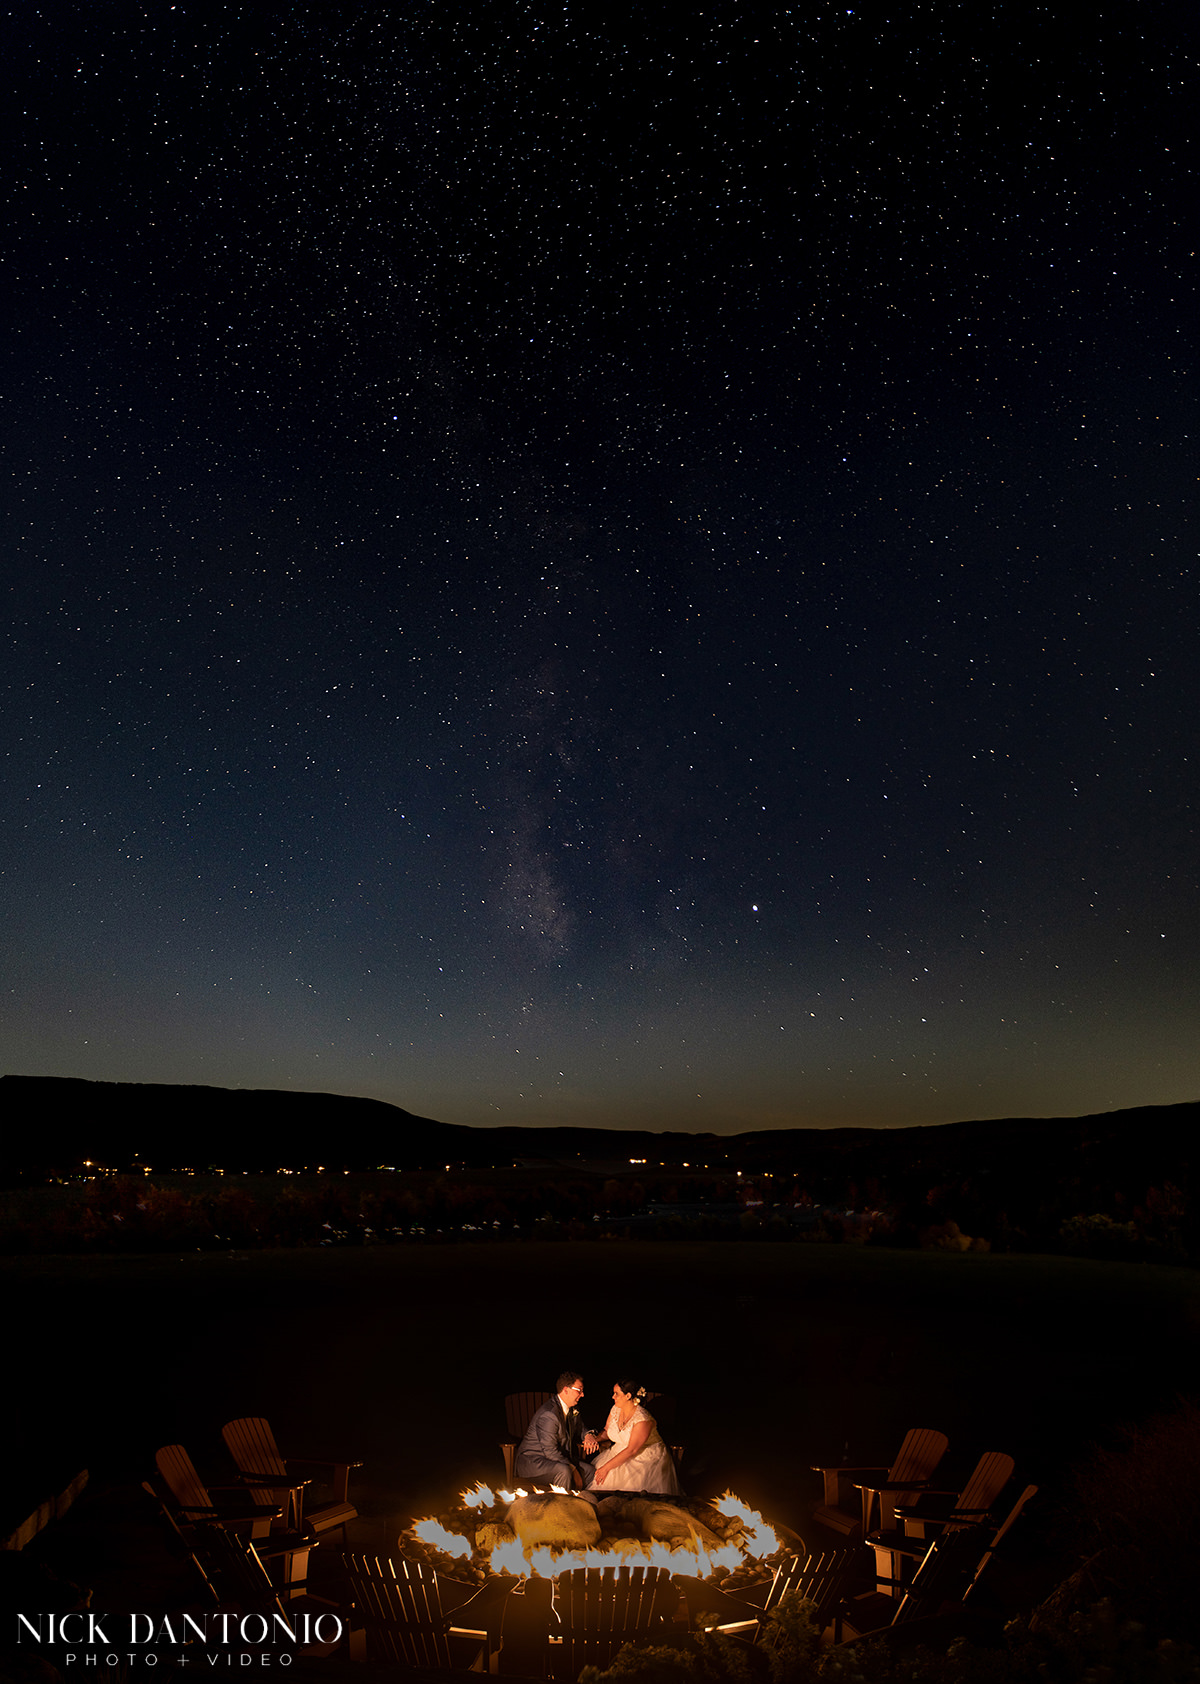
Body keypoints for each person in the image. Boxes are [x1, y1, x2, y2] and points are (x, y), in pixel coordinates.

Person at [591, 1378, 680, 1494]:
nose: (613, 1397)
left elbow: (632, 1450)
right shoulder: (615, 1409)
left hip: (644, 1456)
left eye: (616, 1394)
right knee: (600, 1473)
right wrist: (593, 1439)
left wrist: (606, 1467)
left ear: (628, 1396)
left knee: (617, 1476)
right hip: (620, 1450)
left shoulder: (643, 1419)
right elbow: (607, 1431)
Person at [514, 1372, 601, 1490]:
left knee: (590, 1471)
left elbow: (581, 1428)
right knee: (564, 1471)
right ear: (566, 1390)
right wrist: (573, 1469)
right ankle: (560, 1505)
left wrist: (588, 1435)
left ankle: (582, 1504)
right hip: (534, 1461)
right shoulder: (549, 1414)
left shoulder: (574, 1408)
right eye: (579, 1390)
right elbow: (550, 1451)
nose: (583, 1395)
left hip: (558, 1458)